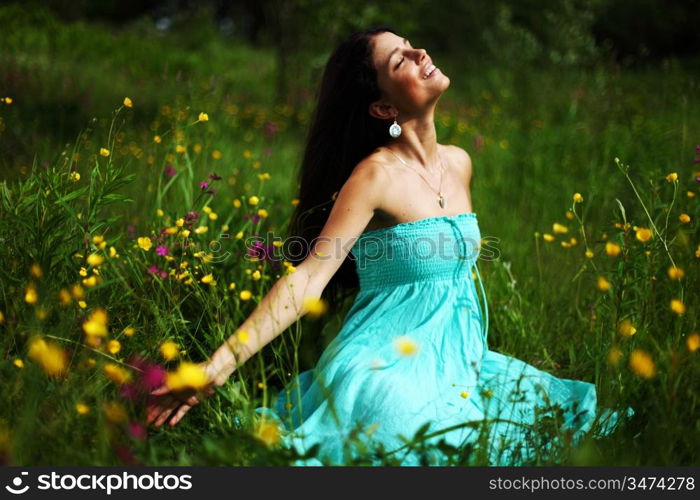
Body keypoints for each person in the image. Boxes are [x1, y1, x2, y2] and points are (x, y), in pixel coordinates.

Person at [146, 26, 632, 466]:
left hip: (460, 362)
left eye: (412, 45)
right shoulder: (374, 175)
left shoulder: (459, 163)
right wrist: (218, 365)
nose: (421, 52)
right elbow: (310, 277)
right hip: (385, 365)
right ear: (384, 109)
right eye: (400, 60)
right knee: (412, 433)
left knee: (546, 413)